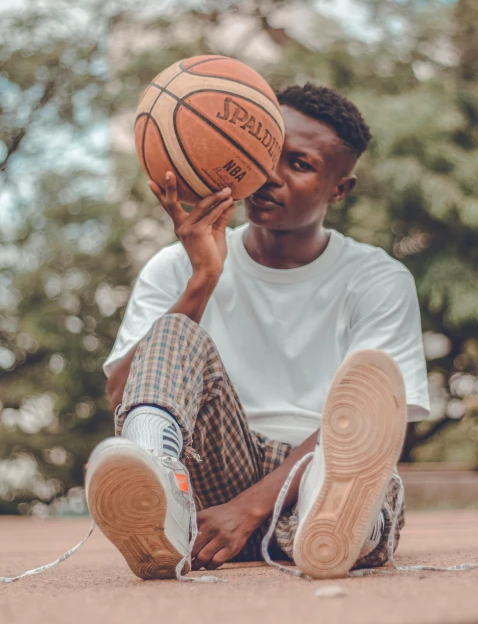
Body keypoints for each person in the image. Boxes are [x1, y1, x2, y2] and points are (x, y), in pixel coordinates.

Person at [85, 83, 429, 581]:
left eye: (300, 164)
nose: (270, 174)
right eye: (266, 153)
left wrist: (248, 511)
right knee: (176, 331)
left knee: (363, 416)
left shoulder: (377, 279)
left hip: (320, 463)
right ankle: (159, 501)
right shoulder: (175, 265)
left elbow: (381, 421)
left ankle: (337, 523)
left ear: (340, 189)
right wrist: (202, 280)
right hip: (217, 475)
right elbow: (120, 394)